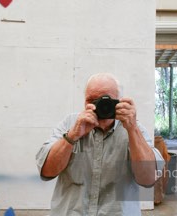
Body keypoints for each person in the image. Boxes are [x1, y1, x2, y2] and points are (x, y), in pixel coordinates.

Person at [36, 73, 164, 215]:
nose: (100, 106)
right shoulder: (70, 124)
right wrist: (72, 136)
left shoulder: (133, 129)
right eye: (91, 100)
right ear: (84, 101)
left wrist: (133, 129)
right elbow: (47, 171)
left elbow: (148, 179)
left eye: (106, 100)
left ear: (119, 102)